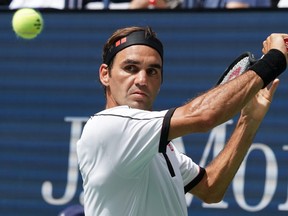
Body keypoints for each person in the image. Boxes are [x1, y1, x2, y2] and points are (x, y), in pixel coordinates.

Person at [76, 26, 288, 215]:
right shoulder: (107, 127)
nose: (142, 80)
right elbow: (205, 115)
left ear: (160, 81)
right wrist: (275, 59)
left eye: (152, 71)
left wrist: (248, 121)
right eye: (130, 68)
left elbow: (210, 188)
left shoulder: (160, 147)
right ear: (105, 74)